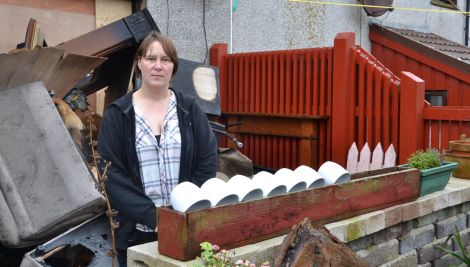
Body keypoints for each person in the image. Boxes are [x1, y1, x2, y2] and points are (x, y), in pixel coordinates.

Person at [97, 31, 217, 266]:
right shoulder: (118, 115)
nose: (158, 66)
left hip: (185, 228)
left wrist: (186, 209)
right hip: (135, 234)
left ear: (174, 67)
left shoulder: (189, 111)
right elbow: (111, 176)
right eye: (151, 59)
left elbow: (207, 160)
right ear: (139, 62)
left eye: (166, 60)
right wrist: (155, 219)